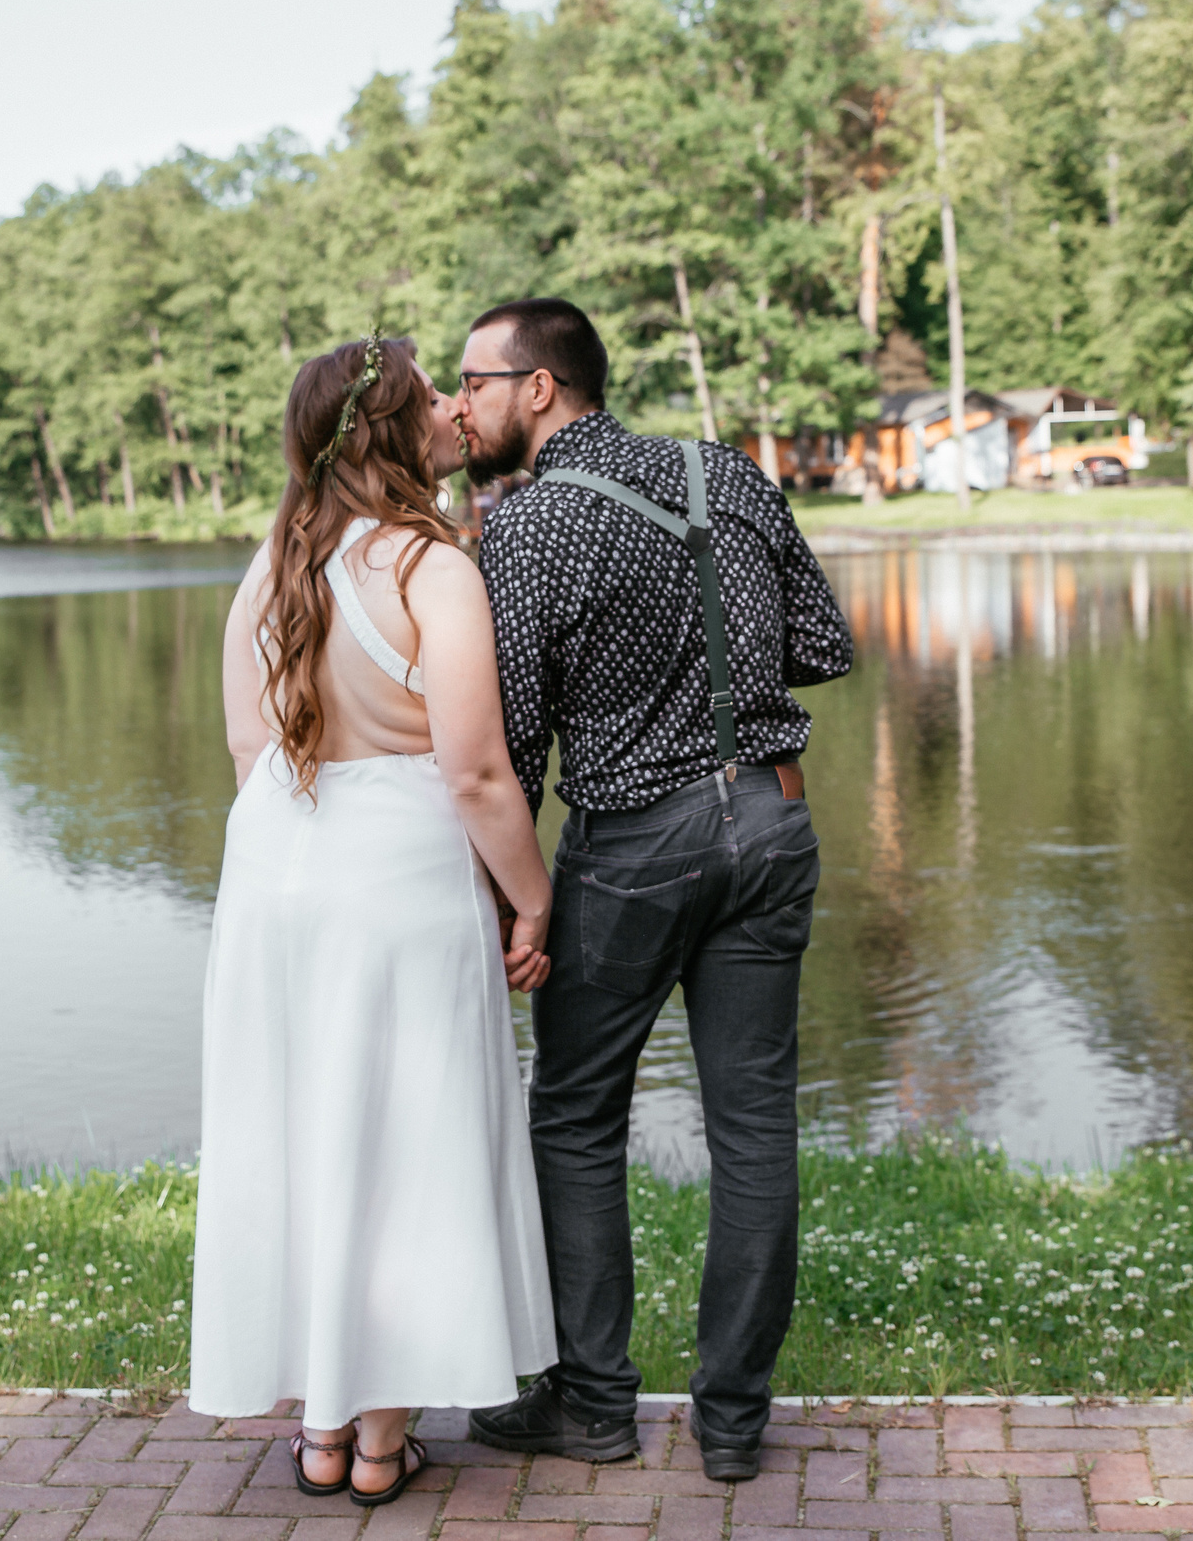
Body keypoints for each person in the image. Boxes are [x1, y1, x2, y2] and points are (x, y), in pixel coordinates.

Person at [448, 298, 854, 1483]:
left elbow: (512, 754)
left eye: (475, 380)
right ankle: (731, 1422)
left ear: (540, 389)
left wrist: (506, 906)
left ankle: (594, 1402)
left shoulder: (524, 532)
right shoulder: (724, 473)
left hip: (634, 843)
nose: (460, 404)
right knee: (753, 1131)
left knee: (575, 1116)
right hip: (772, 822)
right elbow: (821, 646)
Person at [189, 333, 557, 1506]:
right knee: (407, 1136)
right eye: (433, 398)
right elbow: (477, 772)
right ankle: (382, 1442)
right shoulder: (433, 567)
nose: (458, 408)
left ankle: (321, 1428)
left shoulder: (274, 563)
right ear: (396, 433)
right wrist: (532, 894)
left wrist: (295, 838)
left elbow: (251, 748)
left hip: (279, 864)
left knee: (304, 1129)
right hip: (396, 869)